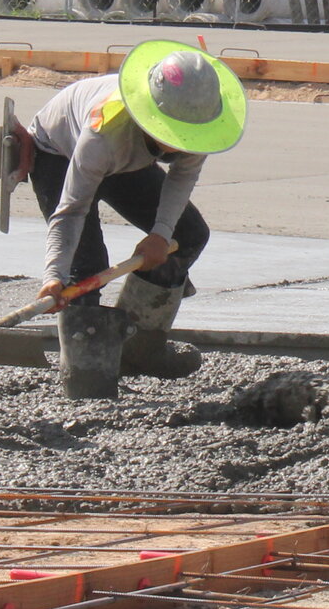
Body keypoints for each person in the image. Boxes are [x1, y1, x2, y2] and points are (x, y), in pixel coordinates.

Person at [25, 41, 247, 375]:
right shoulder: (104, 135)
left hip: (128, 158)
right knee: (84, 269)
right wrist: (54, 275)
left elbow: (182, 178)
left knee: (187, 236)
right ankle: (86, 374)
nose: (182, 144)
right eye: (174, 134)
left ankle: (138, 348)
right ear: (152, 116)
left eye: (188, 136)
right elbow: (71, 211)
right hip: (59, 154)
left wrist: (160, 234)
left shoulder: (199, 122)